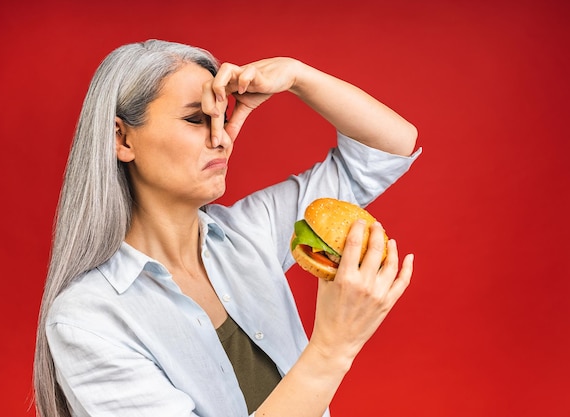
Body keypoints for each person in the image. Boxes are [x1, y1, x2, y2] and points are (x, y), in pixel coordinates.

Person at [33, 39, 420, 417]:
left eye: (222, 119)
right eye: (195, 119)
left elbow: (390, 147)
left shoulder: (250, 233)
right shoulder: (88, 319)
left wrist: (298, 76)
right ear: (122, 137)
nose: (222, 140)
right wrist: (332, 348)